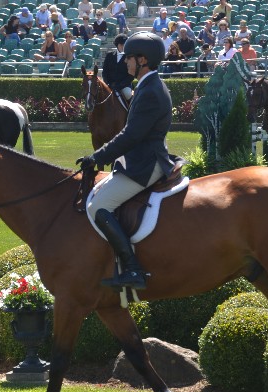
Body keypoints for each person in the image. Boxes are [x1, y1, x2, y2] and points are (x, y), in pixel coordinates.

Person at [78, 32, 184, 291]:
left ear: (143, 60)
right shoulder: (148, 85)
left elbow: (131, 135)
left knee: (98, 206)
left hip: (145, 162)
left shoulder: (150, 90)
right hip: (142, 157)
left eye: (130, 58)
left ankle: (133, 268)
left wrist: (97, 157)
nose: (126, 63)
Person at [102, 34, 134, 103]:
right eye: (121, 45)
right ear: (117, 45)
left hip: (124, 86)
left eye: (125, 45)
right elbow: (105, 72)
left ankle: (131, 112)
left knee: (128, 94)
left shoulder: (130, 57)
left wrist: (119, 86)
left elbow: (131, 76)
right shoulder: (109, 56)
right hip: (110, 85)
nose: (123, 47)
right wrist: (108, 83)